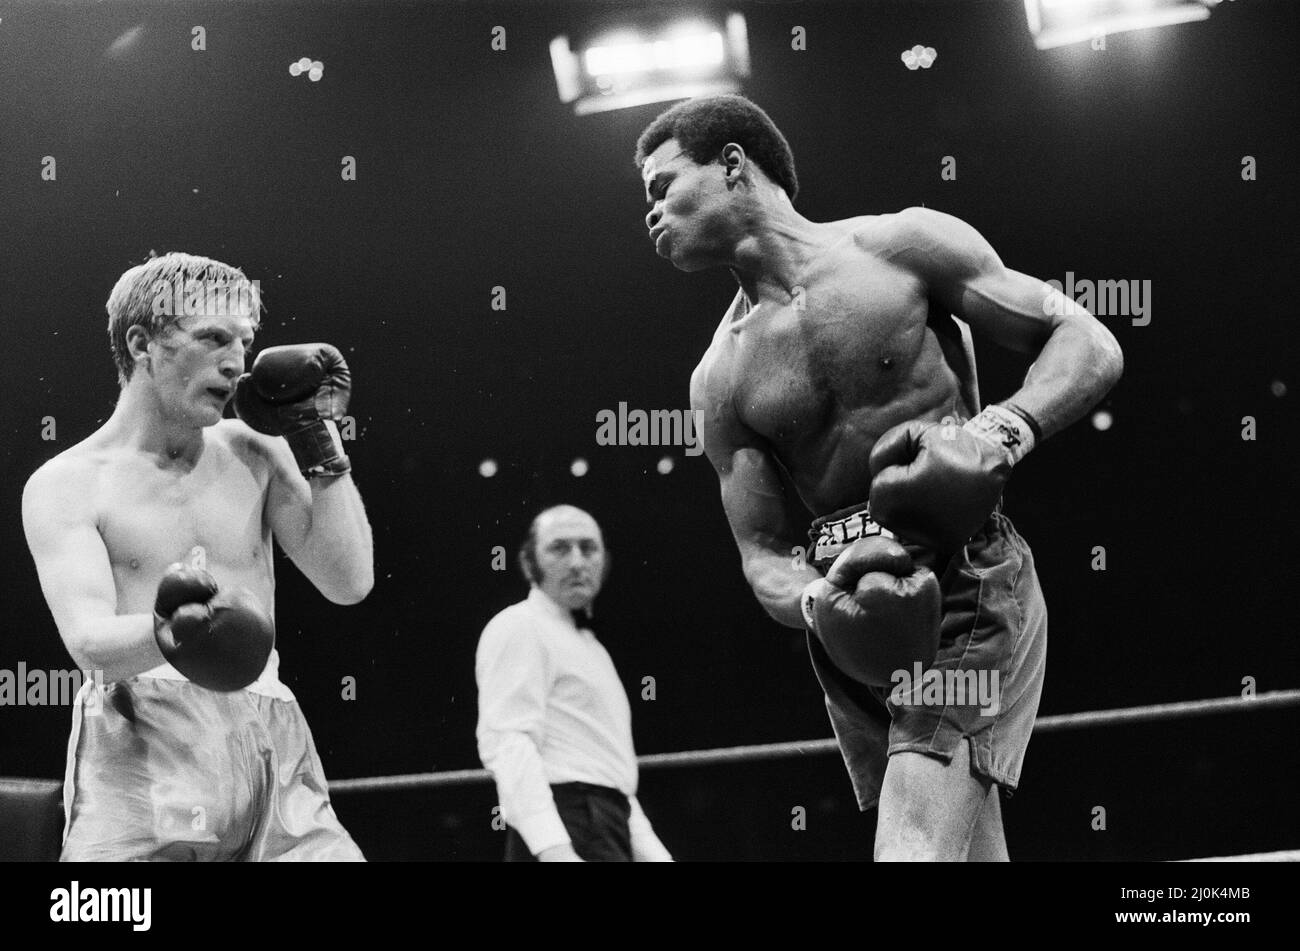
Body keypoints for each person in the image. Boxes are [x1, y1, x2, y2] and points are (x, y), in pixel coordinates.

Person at [635, 95, 1123, 861]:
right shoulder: (716, 377)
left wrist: (999, 432)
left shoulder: (901, 246)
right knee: (959, 844)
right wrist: (822, 602)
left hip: (967, 585)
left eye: (663, 184)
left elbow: (1083, 334)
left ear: (733, 165)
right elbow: (761, 551)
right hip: (852, 625)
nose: (652, 212)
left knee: (913, 840)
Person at [21, 251, 374, 861]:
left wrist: (319, 437)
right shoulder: (67, 483)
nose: (236, 362)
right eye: (212, 338)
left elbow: (349, 582)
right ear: (141, 344)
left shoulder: (253, 450)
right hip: (143, 738)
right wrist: (180, 634)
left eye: (244, 341)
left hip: (271, 730)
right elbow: (88, 646)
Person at [475, 505, 673, 862]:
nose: (578, 562)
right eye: (560, 548)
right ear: (528, 563)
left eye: (588, 547)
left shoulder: (591, 647)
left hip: (603, 823)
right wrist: (555, 851)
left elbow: (610, 777)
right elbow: (508, 741)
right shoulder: (520, 626)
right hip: (566, 824)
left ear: (605, 560)